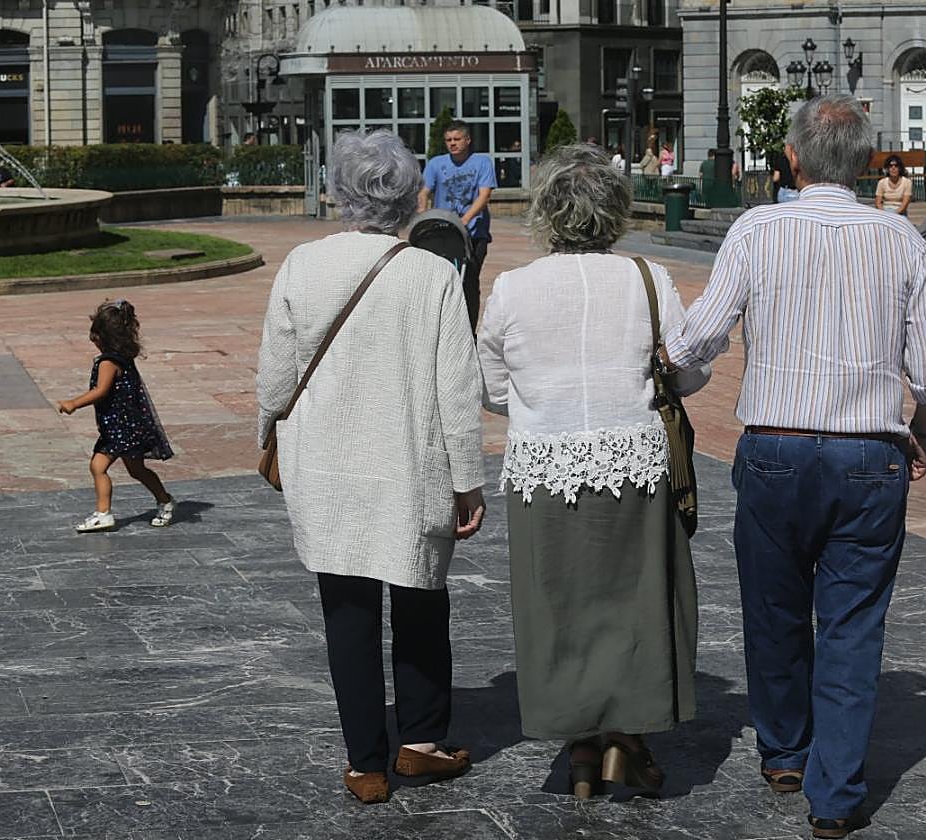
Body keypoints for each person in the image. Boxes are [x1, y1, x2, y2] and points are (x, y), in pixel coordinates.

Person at [665, 95, 926, 839]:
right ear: (865, 162)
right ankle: (835, 796)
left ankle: (784, 751)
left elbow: (696, 343)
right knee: (854, 624)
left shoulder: (757, 228)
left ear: (792, 158)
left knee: (774, 610)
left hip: (776, 448)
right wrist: (921, 430)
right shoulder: (899, 240)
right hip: (869, 453)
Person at [257, 129, 486, 806]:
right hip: (410, 463)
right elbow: (457, 389)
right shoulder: (432, 274)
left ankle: (365, 762)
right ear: (410, 195)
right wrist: (468, 479)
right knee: (420, 598)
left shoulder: (302, 263)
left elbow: (275, 372)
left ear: (340, 192)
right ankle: (421, 742)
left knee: (346, 611)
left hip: (328, 461)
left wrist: (265, 433)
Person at [477, 143, 709, 801]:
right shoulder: (647, 278)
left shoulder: (514, 288)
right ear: (614, 212)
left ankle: (582, 744)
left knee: (560, 608)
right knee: (636, 604)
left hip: (546, 464)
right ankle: (625, 736)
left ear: (547, 213)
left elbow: (490, 386)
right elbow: (690, 370)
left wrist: (540, 395)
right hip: (633, 463)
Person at [56, 299, 176, 532]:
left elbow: (100, 391)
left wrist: (74, 403)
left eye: (95, 335)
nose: (92, 339)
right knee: (132, 469)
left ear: (102, 338)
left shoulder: (108, 362)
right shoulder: (123, 357)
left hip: (122, 429)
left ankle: (109, 512)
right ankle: (161, 501)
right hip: (121, 427)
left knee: (101, 467)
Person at [418, 120, 497, 332]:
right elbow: (424, 192)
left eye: (457, 139)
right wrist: (423, 214)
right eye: (448, 140)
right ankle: (442, 327)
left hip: (473, 233)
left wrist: (466, 219)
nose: (452, 144)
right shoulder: (436, 164)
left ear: (467, 140)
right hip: (444, 232)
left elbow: (485, 194)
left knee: (468, 282)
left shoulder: (482, 163)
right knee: (442, 281)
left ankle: (469, 331)